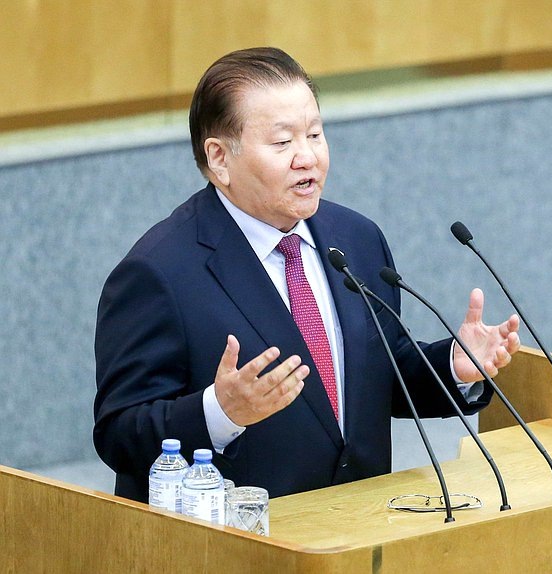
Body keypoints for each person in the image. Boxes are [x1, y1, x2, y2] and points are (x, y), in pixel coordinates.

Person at [93, 47, 520, 503]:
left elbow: (378, 373)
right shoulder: (158, 272)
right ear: (219, 158)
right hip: (245, 533)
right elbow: (120, 433)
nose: (308, 157)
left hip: (363, 521)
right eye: (282, 143)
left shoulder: (356, 238)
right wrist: (220, 412)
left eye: (315, 134)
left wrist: (452, 365)